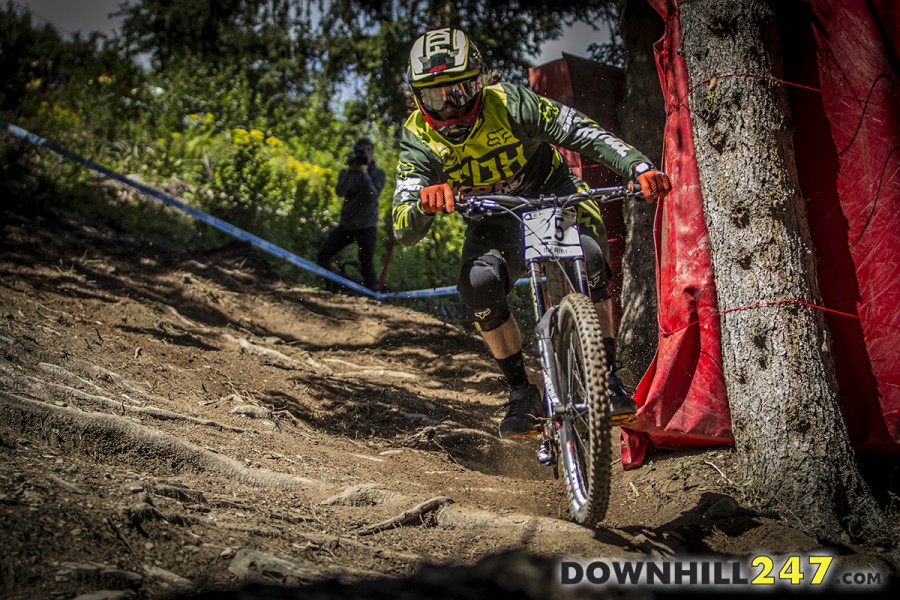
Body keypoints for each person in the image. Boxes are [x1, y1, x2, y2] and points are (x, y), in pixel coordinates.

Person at [392, 28, 672, 439]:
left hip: (553, 195)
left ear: (480, 81)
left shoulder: (511, 103)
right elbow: (402, 228)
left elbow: (579, 130)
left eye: (459, 92)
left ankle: (608, 379)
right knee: (478, 284)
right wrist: (422, 203)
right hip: (493, 220)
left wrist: (639, 167)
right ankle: (522, 393)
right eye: (436, 97)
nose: (450, 110)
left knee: (591, 257)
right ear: (418, 98)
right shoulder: (418, 136)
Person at [317, 137, 387, 291]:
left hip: (367, 225)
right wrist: (352, 171)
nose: (365, 153)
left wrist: (364, 174)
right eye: (362, 149)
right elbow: (340, 191)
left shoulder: (378, 173)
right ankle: (330, 286)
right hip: (347, 224)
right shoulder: (348, 170)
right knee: (324, 254)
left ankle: (372, 296)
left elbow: (372, 195)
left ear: (372, 152)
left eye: (368, 150)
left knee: (366, 262)